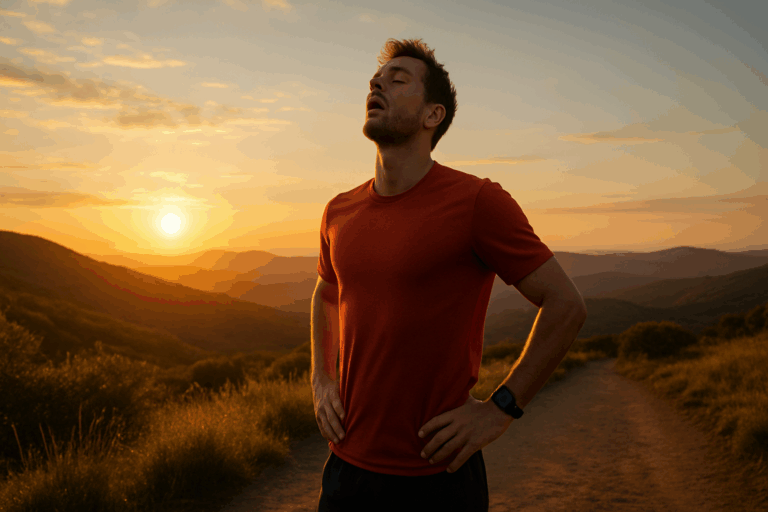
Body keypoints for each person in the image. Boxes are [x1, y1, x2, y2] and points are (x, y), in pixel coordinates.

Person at [311, 38, 587, 512]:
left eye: (398, 80)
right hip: (347, 470)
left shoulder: (478, 202)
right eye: (377, 79)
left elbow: (566, 305)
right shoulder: (338, 210)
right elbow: (327, 292)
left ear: (432, 116)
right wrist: (320, 379)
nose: (378, 83)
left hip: (438, 476)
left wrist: (501, 409)